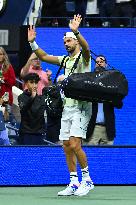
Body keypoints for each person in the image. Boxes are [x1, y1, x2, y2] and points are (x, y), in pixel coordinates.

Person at [28, 14, 94, 196]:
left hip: (82, 107)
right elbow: (44, 56)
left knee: (74, 143)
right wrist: (32, 43)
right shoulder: (64, 60)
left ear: (76, 42)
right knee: (65, 144)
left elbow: (87, 48)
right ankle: (73, 181)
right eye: (65, 41)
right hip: (68, 107)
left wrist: (76, 31)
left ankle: (87, 180)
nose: (66, 44)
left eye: (69, 41)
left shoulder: (84, 58)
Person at [85, 55, 116, 145]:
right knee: (90, 156)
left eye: (101, 61)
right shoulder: (89, 80)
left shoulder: (112, 82)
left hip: (108, 129)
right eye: (97, 62)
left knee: (108, 156)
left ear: (106, 65)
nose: (99, 63)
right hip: (92, 128)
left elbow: (118, 103)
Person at [18, 73, 46, 145]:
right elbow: (23, 111)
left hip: (39, 133)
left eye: (36, 83)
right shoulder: (21, 97)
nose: (34, 85)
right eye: (31, 82)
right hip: (26, 133)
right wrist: (32, 97)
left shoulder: (41, 98)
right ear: (26, 83)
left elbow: (39, 114)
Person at [0, 47, 16, 119]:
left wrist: (4, 79)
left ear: (4, 55)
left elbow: (13, 82)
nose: (0, 56)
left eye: (1, 54)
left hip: (5, 97)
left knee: (5, 122)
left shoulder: (8, 67)